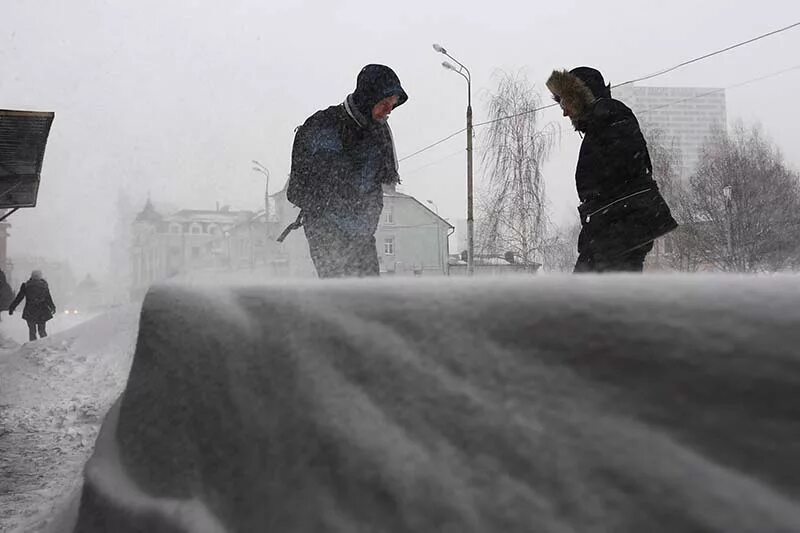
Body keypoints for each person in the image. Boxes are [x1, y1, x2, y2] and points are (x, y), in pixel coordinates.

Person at [546, 67, 678, 273]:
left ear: (580, 96)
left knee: (589, 297)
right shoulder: (604, 119)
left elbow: (622, 174)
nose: (564, 112)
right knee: (602, 297)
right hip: (615, 229)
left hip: (619, 231)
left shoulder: (610, 115)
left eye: (564, 102)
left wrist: (602, 219)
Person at [283, 64, 408, 278]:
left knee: (369, 299)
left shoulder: (380, 135)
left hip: (362, 234)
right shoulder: (320, 127)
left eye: (392, 106)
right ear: (368, 98)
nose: (389, 111)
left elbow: (378, 187)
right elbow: (296, 190)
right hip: (325, 232)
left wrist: (365, 224)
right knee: (338, 296)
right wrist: (331, 209)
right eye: (385, 104)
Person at [8, 270, 56, 341]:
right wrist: (52, 307)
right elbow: (48, 298)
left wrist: (12, 307)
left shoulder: (26, 285)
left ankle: (32, 346)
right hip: (42, 311)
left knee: (32, 332)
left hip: (30, 311)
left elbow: (19, 298)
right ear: (40, 276)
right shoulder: (44, 286)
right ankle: (44, 345)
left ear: (31, 276)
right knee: (42, 331)